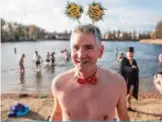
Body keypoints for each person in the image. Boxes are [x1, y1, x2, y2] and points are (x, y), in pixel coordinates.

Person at [49, 24, 129, 121]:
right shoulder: (59, 83)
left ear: (100, 51)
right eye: (76, 47)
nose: (81, 55)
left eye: (88, 47)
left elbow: (123, 117)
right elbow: (57, 114)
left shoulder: (117, 83)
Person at [119, 47, 139, 111]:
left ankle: (128, 107)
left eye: (132, 53)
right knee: (123, 96)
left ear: (133, 54)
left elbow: (137, 69)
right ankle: (121, 107)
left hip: (132, 81)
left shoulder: (134, 61)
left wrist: (136, 68)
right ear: (126, 53)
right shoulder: (123, 60)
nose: (131, 54)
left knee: (130, 95)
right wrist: (131, 67)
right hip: (125, 81)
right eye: (130, 53)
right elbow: (124, 68)